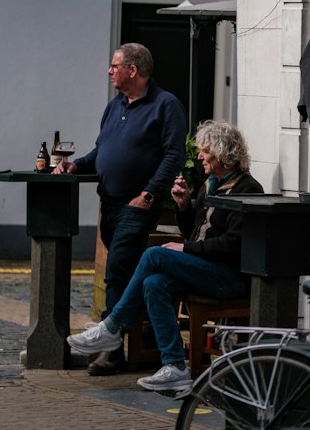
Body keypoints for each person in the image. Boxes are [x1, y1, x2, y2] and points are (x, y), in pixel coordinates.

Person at [66, 120, 263, 392]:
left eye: (206, 151)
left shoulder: (249, 189)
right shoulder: (210, 184)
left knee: (153, 255)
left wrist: (186, 249)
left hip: (227, 277)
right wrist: (184, 206)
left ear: (223, 152)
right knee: (153, 283)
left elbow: (232, 246)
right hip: (203, 268)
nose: (201, 156)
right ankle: (175, 366)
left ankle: (112, 327)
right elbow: (194, 231)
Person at [55, 42, 186, 375]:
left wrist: (149, 195)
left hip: (136, 204)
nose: (110, 71)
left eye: (115, 66)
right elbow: (102, 151)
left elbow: (173, 155)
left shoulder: (165, 105)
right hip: (109, 204)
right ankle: (143, 342)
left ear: (134, 69)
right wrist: (77, 165)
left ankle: (110, 346)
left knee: (116, 270)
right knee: (122, 274)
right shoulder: (115, 106)